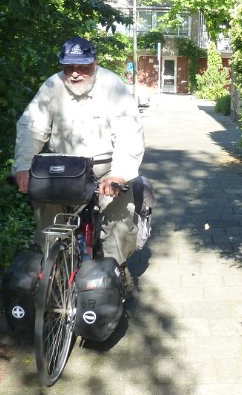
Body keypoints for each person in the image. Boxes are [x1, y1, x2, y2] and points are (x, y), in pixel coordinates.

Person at [13, 37, 145, 289]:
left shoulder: (112, 86)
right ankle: (52, 266)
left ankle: (115, 273)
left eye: (82, 67)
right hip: (64, 169)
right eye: (68, 67)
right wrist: (22, 167)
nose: (74, 73)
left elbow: (129, 131)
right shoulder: (52, 86)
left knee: (118, 219)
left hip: (105, 169)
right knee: (46, 210)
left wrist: (119, 175)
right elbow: (32, 126)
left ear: (94, 63)